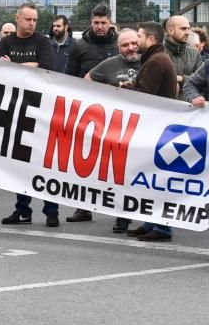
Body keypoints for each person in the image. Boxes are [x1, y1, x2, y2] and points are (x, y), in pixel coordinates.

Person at [0, 2, 60, 227]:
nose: (32, 23)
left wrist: (17, 66)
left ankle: (52, 211)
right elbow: (0, 70)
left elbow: (47, 67)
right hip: (16, 108)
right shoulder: (6, 41)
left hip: (41, 108)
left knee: (45, 162)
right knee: (21, 162)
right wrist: (31, 65)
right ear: (17, 18)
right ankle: (22, 210)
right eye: (28, 19)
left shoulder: (43, 41)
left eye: (35, 20)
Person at [75, 28, 141, 229]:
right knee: (118, 172)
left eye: (133, 44)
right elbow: (87, 81)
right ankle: (121, 216)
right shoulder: (109, 64)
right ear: (118, 47)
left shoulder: (150, 62)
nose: (130, 48)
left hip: (145, 128)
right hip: (118, 128)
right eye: (125, 45)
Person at [125, 22, 178, 242]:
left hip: (156, 128)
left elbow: (146, 97)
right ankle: (151, 222)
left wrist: (132, 90)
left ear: (151, 40)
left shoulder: (156, 61)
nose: (136, 40)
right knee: (150, 179)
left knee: (156, 179)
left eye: (139, 36)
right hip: (157, 126)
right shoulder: (157, 59)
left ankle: (162, 227)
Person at [64, 4, 117, 78]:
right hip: (85, 88)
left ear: (110, 23)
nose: (99, 27)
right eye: (96, 23)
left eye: (103, 23)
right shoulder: (78, 46)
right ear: (91, 22)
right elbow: (69, 77)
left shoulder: (120, 45)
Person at [164, 15, 201, 95]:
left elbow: (202, 81)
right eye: (183, 29)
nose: (188, 32)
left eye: (188, 28)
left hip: (191, 104)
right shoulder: (158, 53)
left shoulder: (194, 54)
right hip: (164, 104)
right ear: (171, 30)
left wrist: (182, 78)